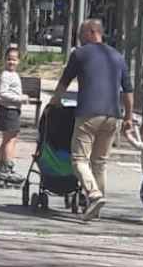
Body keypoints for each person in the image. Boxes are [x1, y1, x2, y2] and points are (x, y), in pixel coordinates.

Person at [46, 18, 132, 222]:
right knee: (99, 163)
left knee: (78, 160)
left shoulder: (80, 54)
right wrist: (128, 116)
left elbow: (64, 81)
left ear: (92, 32)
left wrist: (54, 102)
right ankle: (96, 209)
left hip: (88, 113)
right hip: (113, 115)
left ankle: (93, 195)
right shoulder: (118, 56)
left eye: (81, 33)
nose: (78, 37)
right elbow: (128, 90)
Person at [0, 47, 27, 186]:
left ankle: (1, 168)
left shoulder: (14, 74)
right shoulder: (6, 75)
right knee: (9, 141)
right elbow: (3, 93)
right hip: (8, 110)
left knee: (10, 139)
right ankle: (7, 168)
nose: (11, 62)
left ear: (18, 61)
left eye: (14, 59)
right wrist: (20, 98)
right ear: (5, 60)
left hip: (13, 110)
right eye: (9, 59)